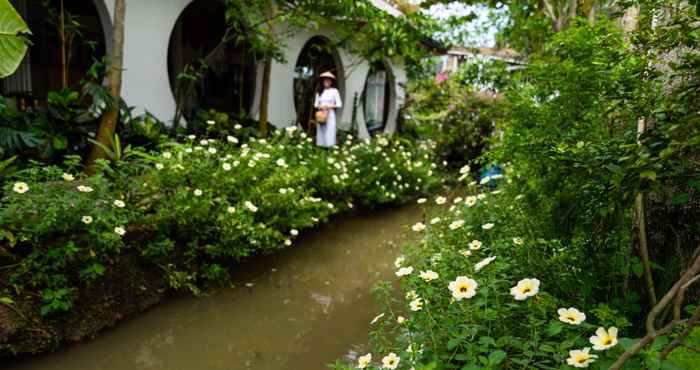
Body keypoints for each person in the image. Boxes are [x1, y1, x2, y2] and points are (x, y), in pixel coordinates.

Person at [314, 71, 342, 147]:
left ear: (331, 82)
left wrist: (329, 106)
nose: (327, 81)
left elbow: (339, 104)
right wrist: (320, 107)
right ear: (323, 81)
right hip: (321, 114)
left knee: (330, 130)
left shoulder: (334, 91)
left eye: (329, 80)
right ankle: (321, 148)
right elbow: (316, 104)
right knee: (321, 130)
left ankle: (330, 147)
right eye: (325, 80)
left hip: (330, 114)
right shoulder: (319, 92)